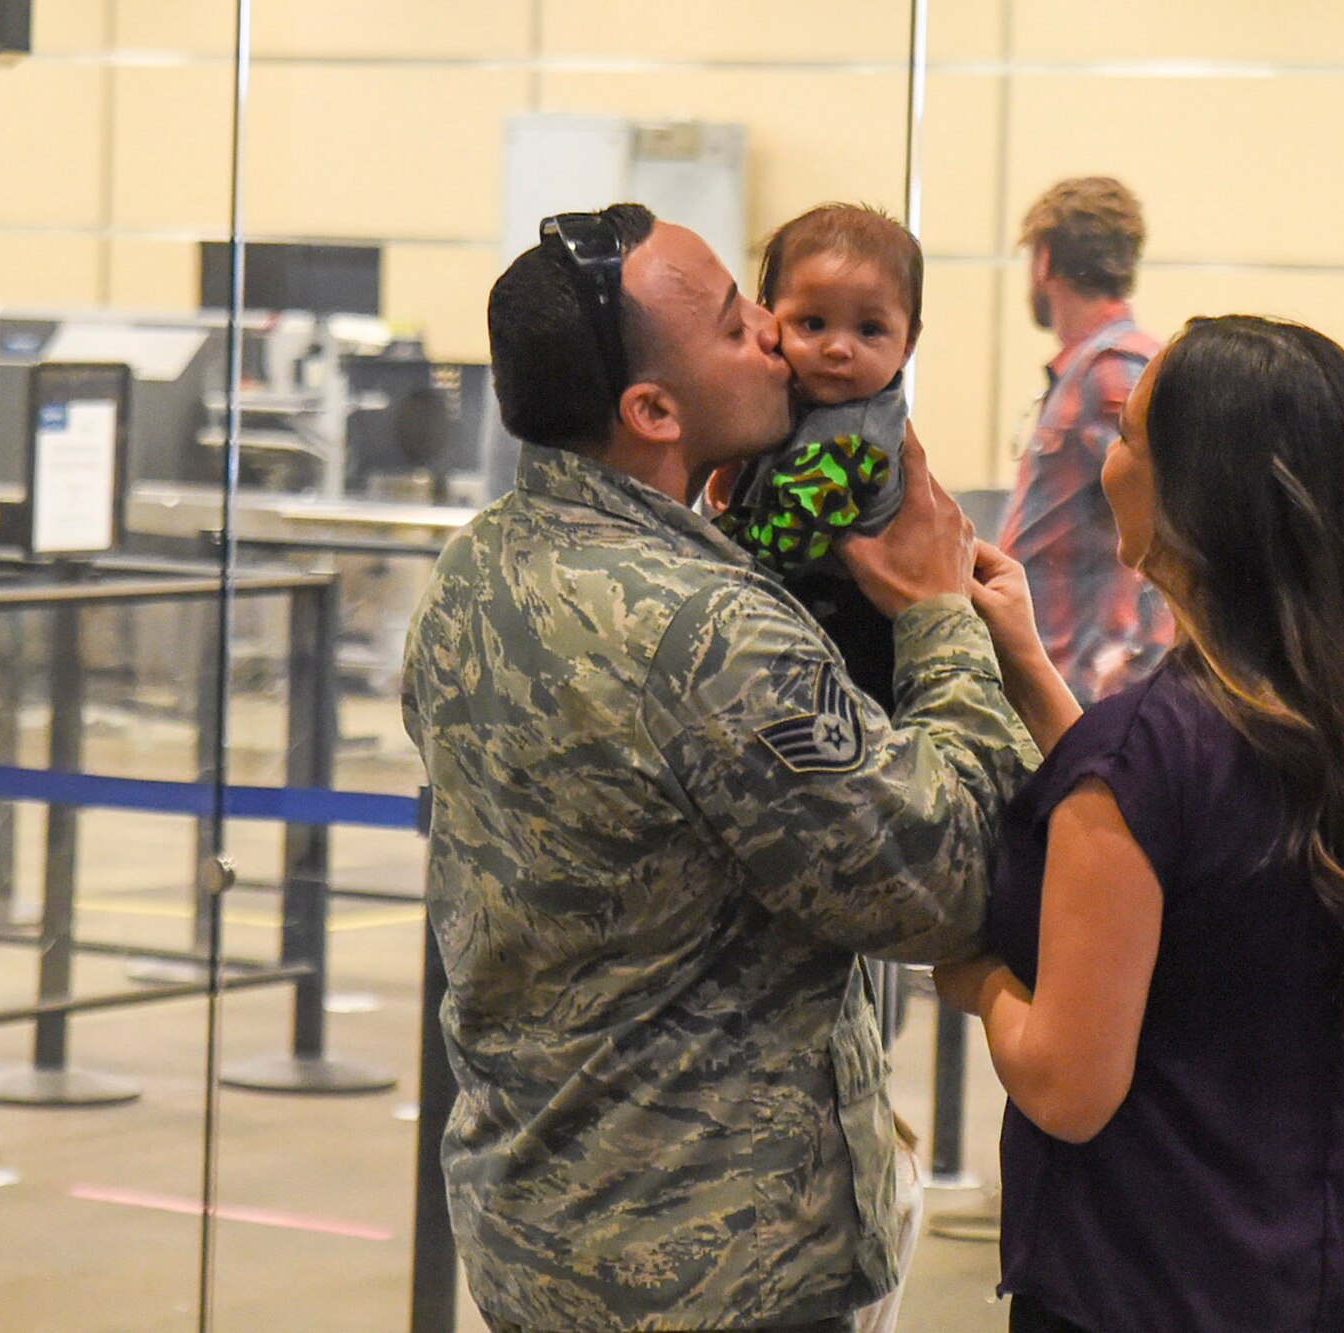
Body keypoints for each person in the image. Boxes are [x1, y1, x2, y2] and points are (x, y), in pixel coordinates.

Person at [401, 203, 1037, 1333]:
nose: (781, 347)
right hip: (711, 1274)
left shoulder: (472, 574)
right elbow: (946, 877)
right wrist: (942, 615)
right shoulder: (709, 634)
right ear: (651, 409)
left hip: (535, 1239)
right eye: (744, 326)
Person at [935, 315, 1344, 1331]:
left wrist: (980, 983)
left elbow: (1068, 1084)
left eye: (1127, 435)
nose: (1107, 459)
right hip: (1307, 1275)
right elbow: (1175, 828)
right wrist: (1030, 672)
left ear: (1196, 492)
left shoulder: (1147, 751)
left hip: (1138, 1285)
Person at [717, 203, 923, 711]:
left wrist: (687, 536)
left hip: (857, 646)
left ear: (908, 343)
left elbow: (775, 550)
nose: (838, 348)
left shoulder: (849, 443)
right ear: (768, 321)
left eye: (869, 330)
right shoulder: (811, 408)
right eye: (813, 323)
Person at [998, 176, 1175, 706]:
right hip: (1063, 682)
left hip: (1084, 691)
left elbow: (1172, 523)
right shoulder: (1096, 367)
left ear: (1044, 260)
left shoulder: (1114, 370)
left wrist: (1130, 674)